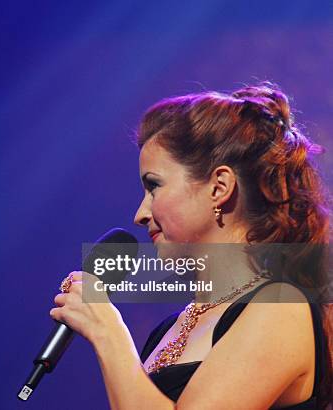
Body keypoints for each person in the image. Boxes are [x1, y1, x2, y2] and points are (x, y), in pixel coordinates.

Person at [51, 83, 332, 409]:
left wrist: (107, 332)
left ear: (219, 188)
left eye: (154, 186)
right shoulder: (168, 329)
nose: (140, 215)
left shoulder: (280, 308)